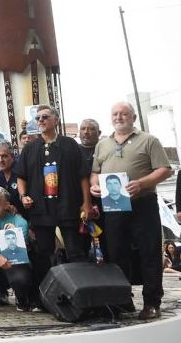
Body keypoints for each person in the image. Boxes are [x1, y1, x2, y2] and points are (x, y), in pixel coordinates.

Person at [91, 101, 172, 320]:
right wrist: (94, 186)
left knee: (149, 253)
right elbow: (95, 172)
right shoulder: (103, 144)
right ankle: (121, 301)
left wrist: (143, 183)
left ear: (133, 117)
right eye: (115, 114)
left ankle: (152, 302)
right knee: (116, 253)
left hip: (142, 204)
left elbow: (165, 170)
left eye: (124, 114)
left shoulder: (149, 140)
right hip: (114, 206)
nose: (119, 117)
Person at [15, 104, 91, 289]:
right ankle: (46, 295)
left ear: (55, 120)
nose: (41, 120)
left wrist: (86, 204)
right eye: (38, 118)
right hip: (41, 209)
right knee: (43, 254)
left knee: (75, 252)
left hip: (68, 206)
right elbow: (21, 177)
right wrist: (23, 195)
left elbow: (83, 176)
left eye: (45, 117)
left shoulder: (70, 144)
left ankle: (80, 291)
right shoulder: (30, 148)